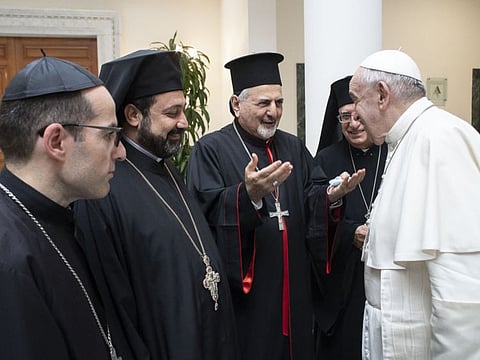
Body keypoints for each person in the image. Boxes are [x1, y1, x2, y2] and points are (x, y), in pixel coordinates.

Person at [186, 52, 365, 360]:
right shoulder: (210, 150)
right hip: (251, 296)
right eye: (263, 103)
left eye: (279, 103)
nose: (273, 112)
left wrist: (331, 198)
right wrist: (247, 196)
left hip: (296, 289)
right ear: (236, 105)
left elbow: (313, 195)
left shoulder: (292, 146)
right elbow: (205, 212)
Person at [73, 49, 239, 360]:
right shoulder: (103, 189)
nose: (185, 123)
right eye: (172, 113)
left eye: (184, 110)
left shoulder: (165, 167)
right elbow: (114, 307)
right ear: (134, 115)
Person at [0, 55, 135, 359]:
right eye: (109, 136)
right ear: (57, 141)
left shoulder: (61, 216)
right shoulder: (9, 262)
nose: (122, 152)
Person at [349, 49, 480, 359]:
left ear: (382, 94)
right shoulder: (406, 138)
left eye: (356, 99)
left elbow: (461, 294)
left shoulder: (440, 138)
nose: (354, 113)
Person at [312, 75, 387, 360]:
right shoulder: (325, 160)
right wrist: (349, 232)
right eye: (345, 117)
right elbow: (313, 222)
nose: (354, 124)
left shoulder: (393, 153)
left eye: (358, 115)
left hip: (386, 276)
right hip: (344, 283)